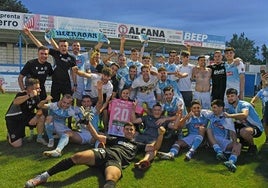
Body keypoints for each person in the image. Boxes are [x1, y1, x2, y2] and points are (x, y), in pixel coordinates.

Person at [24, 122, 166, 188]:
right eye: (127, 129)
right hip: (105, 153)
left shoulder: (138, 145)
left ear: (134, 132)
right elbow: (98, 136)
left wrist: (161, 135)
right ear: (123, 131)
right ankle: (42, 177)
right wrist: (88, 123)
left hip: (117, 161)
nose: (129, 131)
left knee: (111, 180)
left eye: (131, 129)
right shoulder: (116, 139)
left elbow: (154, 148)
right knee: (77, 157)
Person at [23, 27, 77, 102]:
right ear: (59, 47)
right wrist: (29, 34)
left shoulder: (72, 58)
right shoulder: (56, 53)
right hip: (55, 83)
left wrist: (75, 84)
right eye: (61, 46)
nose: (63, 47)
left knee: (69, 102)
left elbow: (73, 72)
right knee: (54, 103)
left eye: (65, 46)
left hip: (66, 84)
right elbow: (40, 46)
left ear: (68, 47)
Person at [5, 78, 50, 147]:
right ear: (30, 89)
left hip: (25, 116)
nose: (40, 90)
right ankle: (10, 134)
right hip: (14, 119)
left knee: (42, 117)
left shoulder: (36, 97)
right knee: (17, 145)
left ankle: (39, 138)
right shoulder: (21, 94)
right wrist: (29, 96)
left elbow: (40, 108)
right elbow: (16, 102)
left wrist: (36, 117)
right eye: (37, 88)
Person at [224, 88, 263, 154]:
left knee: (244, 132)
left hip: (256, 127)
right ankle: (242, 142)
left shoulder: (244, 104)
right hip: (244, 126)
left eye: (232, 96)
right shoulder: (231, 107)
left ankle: (252, 146)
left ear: (237, 96)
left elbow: (245, 115)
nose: (230, 98)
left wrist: (229, 116)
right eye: (228, 96)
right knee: (229, 128)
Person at [206, 99, 241, 172]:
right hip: (213, 140)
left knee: (238, 145)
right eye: (212, 107)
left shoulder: (227, 118)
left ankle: (231, 161)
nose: (213, 109)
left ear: (221, 108)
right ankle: (218, 151)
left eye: (215, 107)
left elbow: (232, 132)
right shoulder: (211, 115)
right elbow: (201, 111)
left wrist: (234, 143)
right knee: (208, 129)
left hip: (224, 142)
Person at [250, 74, 268, 143]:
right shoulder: (262, 91)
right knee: (265, 124)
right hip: (265, 110)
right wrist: (252, 102)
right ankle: (267, 138)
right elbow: (255, 98)